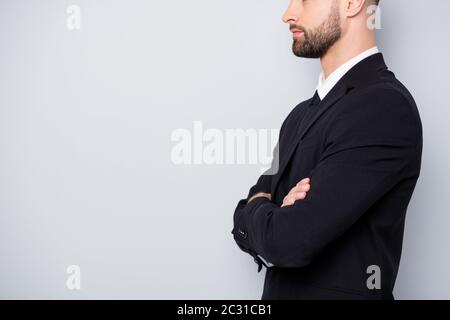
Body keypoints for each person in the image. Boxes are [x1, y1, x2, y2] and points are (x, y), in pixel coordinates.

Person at [231, 0, 423, 300]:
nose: (288, 14)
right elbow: (243, 217)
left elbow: (285, 241)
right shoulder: (297, 116)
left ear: (352, 3)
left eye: (304, 0)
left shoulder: (384, 107)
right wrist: (268, 214)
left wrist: (261, 209)